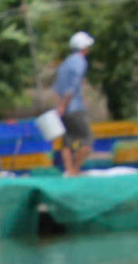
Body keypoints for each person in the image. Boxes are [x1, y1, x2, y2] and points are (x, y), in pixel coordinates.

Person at [54, 31, 96, 177]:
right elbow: (72, 86)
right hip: (74, 107)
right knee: (87, 141)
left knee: (67, 141)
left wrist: (59, 106)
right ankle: (74, 169)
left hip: (64, 109)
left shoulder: (65, 63)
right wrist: (64, 104)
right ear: (84, 47)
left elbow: (57, 86)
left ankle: (68, 170)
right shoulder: (80, 62)